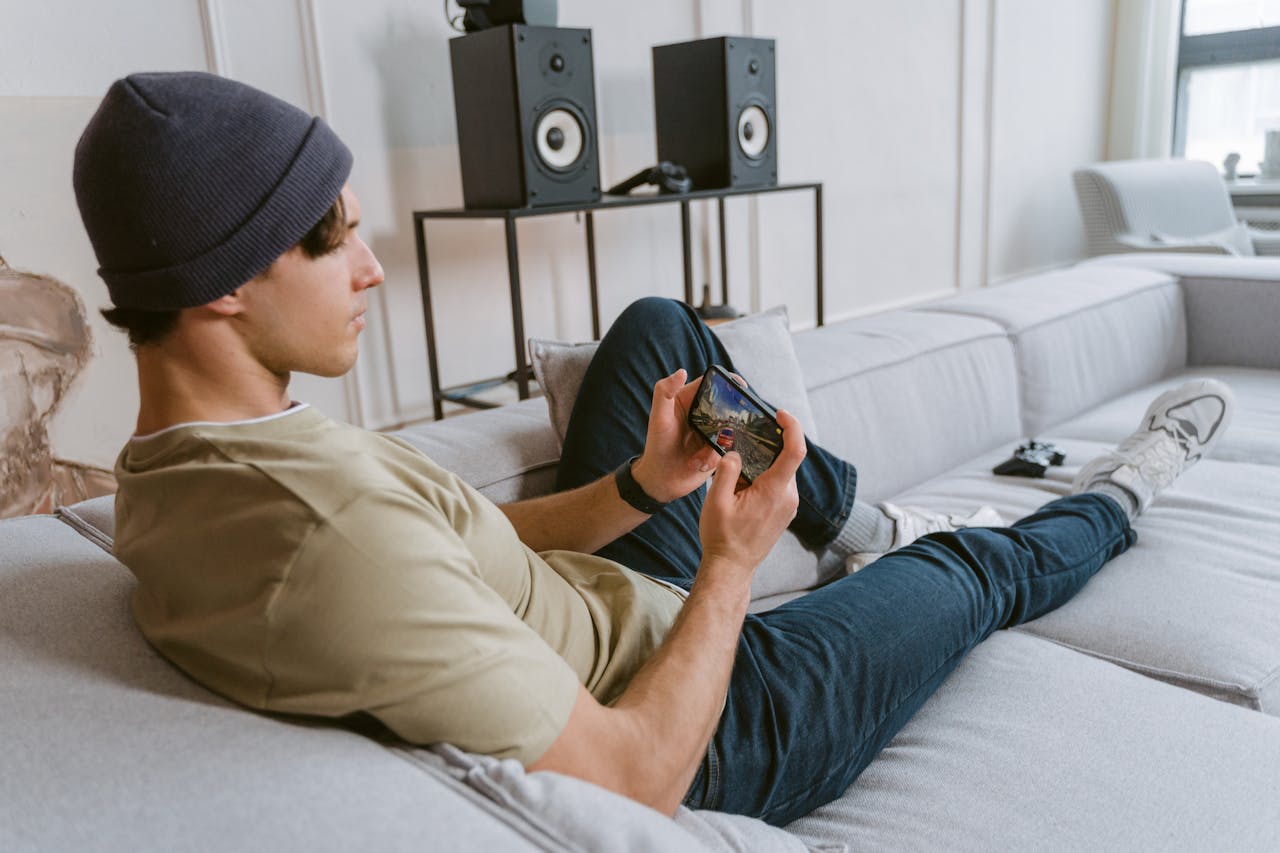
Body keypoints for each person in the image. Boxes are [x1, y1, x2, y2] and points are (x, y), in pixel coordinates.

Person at [72, 72, 1235, 826]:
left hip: (619, 600)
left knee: (660, 331)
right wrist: (731, 566)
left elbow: (462, 541)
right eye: (335, 243)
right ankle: (1126, 489)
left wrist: (643, 484)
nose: (373, 269)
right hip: (718, 716)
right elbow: (636, 776)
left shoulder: (191, 463)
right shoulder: (314, 537)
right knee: (964, 573)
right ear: (224, 282)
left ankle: (855, 526)